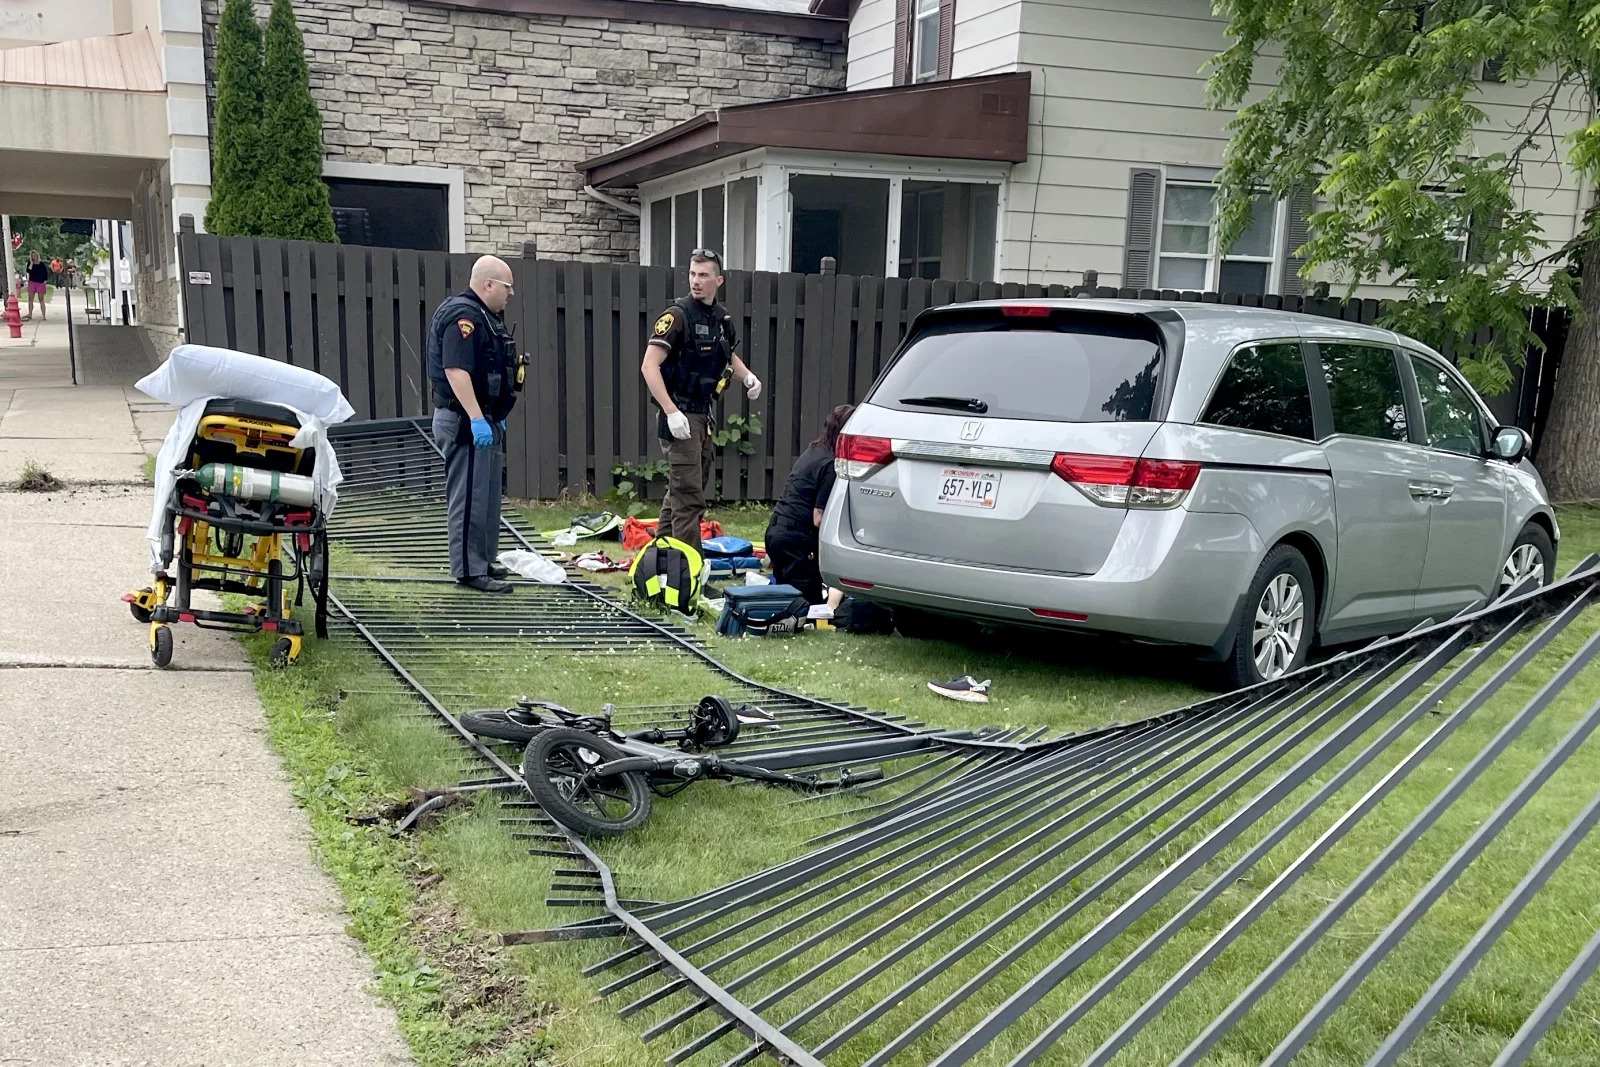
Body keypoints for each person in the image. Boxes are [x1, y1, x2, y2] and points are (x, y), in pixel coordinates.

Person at [641, 249, 761, 555]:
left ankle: (663, 554)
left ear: (718, 281)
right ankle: (687, 565)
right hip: (679, 413)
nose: (696, 281)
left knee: (683, 489)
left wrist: (748, 376)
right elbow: (649, 365)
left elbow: (726, 355)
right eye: (693, 274)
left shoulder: (721, 319)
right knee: (688, 496)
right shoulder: (677, 316)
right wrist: (670, 411)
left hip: (702, 414)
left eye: (704, 275)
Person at [426, 255, 523, 593]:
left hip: (485, 419)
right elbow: (455, 370)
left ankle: (482, 560)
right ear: (488, 284)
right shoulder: (463, 317)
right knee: (469, 496)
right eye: (507, 286)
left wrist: (494, 415)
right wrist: (477, 417)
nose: (511, 293)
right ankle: (468, 570)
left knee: (487, 496)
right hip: (465, 420)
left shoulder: (486, 317)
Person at [765, 404, 853, 608]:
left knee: (786, 600)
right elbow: (818, 518)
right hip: (795, 541)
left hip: (776, 533)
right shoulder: (831, 464)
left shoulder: (814, 450)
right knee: (811, 606)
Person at [24, 252, 48, 321]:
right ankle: (30, 314)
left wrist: (45, 280)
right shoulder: (30, 263)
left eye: (35, 256)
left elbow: (45, 272)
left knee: (41, 299)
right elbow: (28, 271)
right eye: (32, 256)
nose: (34, 257)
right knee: (30, 299)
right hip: (32, 282)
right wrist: (31, 263)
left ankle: (43, 315)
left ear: (37, 256)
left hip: (40, 283)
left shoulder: (42, 264)